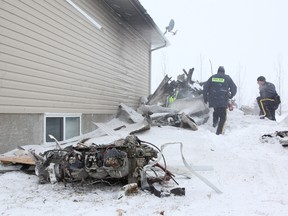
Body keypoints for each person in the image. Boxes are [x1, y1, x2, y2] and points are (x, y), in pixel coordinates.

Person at [203, 66, 237, 135]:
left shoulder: (212, 77)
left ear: (217, 71)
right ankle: (219, 133)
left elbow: (205, 87)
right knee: (223, 117)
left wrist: (205, 98)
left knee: (216, 111)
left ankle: (214, 124)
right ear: (224, 72)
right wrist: (231, 95)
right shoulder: (227, 78)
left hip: (213, 99)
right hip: (223, 100)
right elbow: (234, 88)